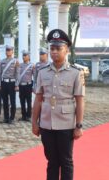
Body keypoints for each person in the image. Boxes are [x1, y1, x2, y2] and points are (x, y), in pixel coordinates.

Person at [32, 29, 85, 180]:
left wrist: (79, 125)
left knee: (66, 161)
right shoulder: (42, 72)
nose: (54, 52)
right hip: (47, 123)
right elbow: (38, 99)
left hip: (66, 125)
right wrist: (34, 123)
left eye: (58, 48)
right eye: (52, 48)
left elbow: (80, 100)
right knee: (52, 161)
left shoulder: (75, 73)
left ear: (66, 50)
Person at [0, 45, 20, 124]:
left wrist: (17, 85)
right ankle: (6, 118)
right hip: (4, 83)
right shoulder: (2, 61)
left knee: (13, 101)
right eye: (7, 50)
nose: (8, 52)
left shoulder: (15, 61)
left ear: (12, 51)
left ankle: (12, 118)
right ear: (5, 51)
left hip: (12, 83)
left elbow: (17, 74)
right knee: (5, 101)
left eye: (10, 50)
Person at [17, 50, 35, 122]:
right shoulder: (20, 65)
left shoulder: (32, 65)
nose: (23, 57)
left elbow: (35, 76)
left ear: (29, 57)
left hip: (28, 85)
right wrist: (17, 85)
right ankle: (23, 116)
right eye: (23, 55)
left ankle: (29, 116)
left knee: (29, 101)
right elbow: (17, 75)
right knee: (22, 101)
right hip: (21, 85)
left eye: (25, 55)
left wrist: (34, 86)